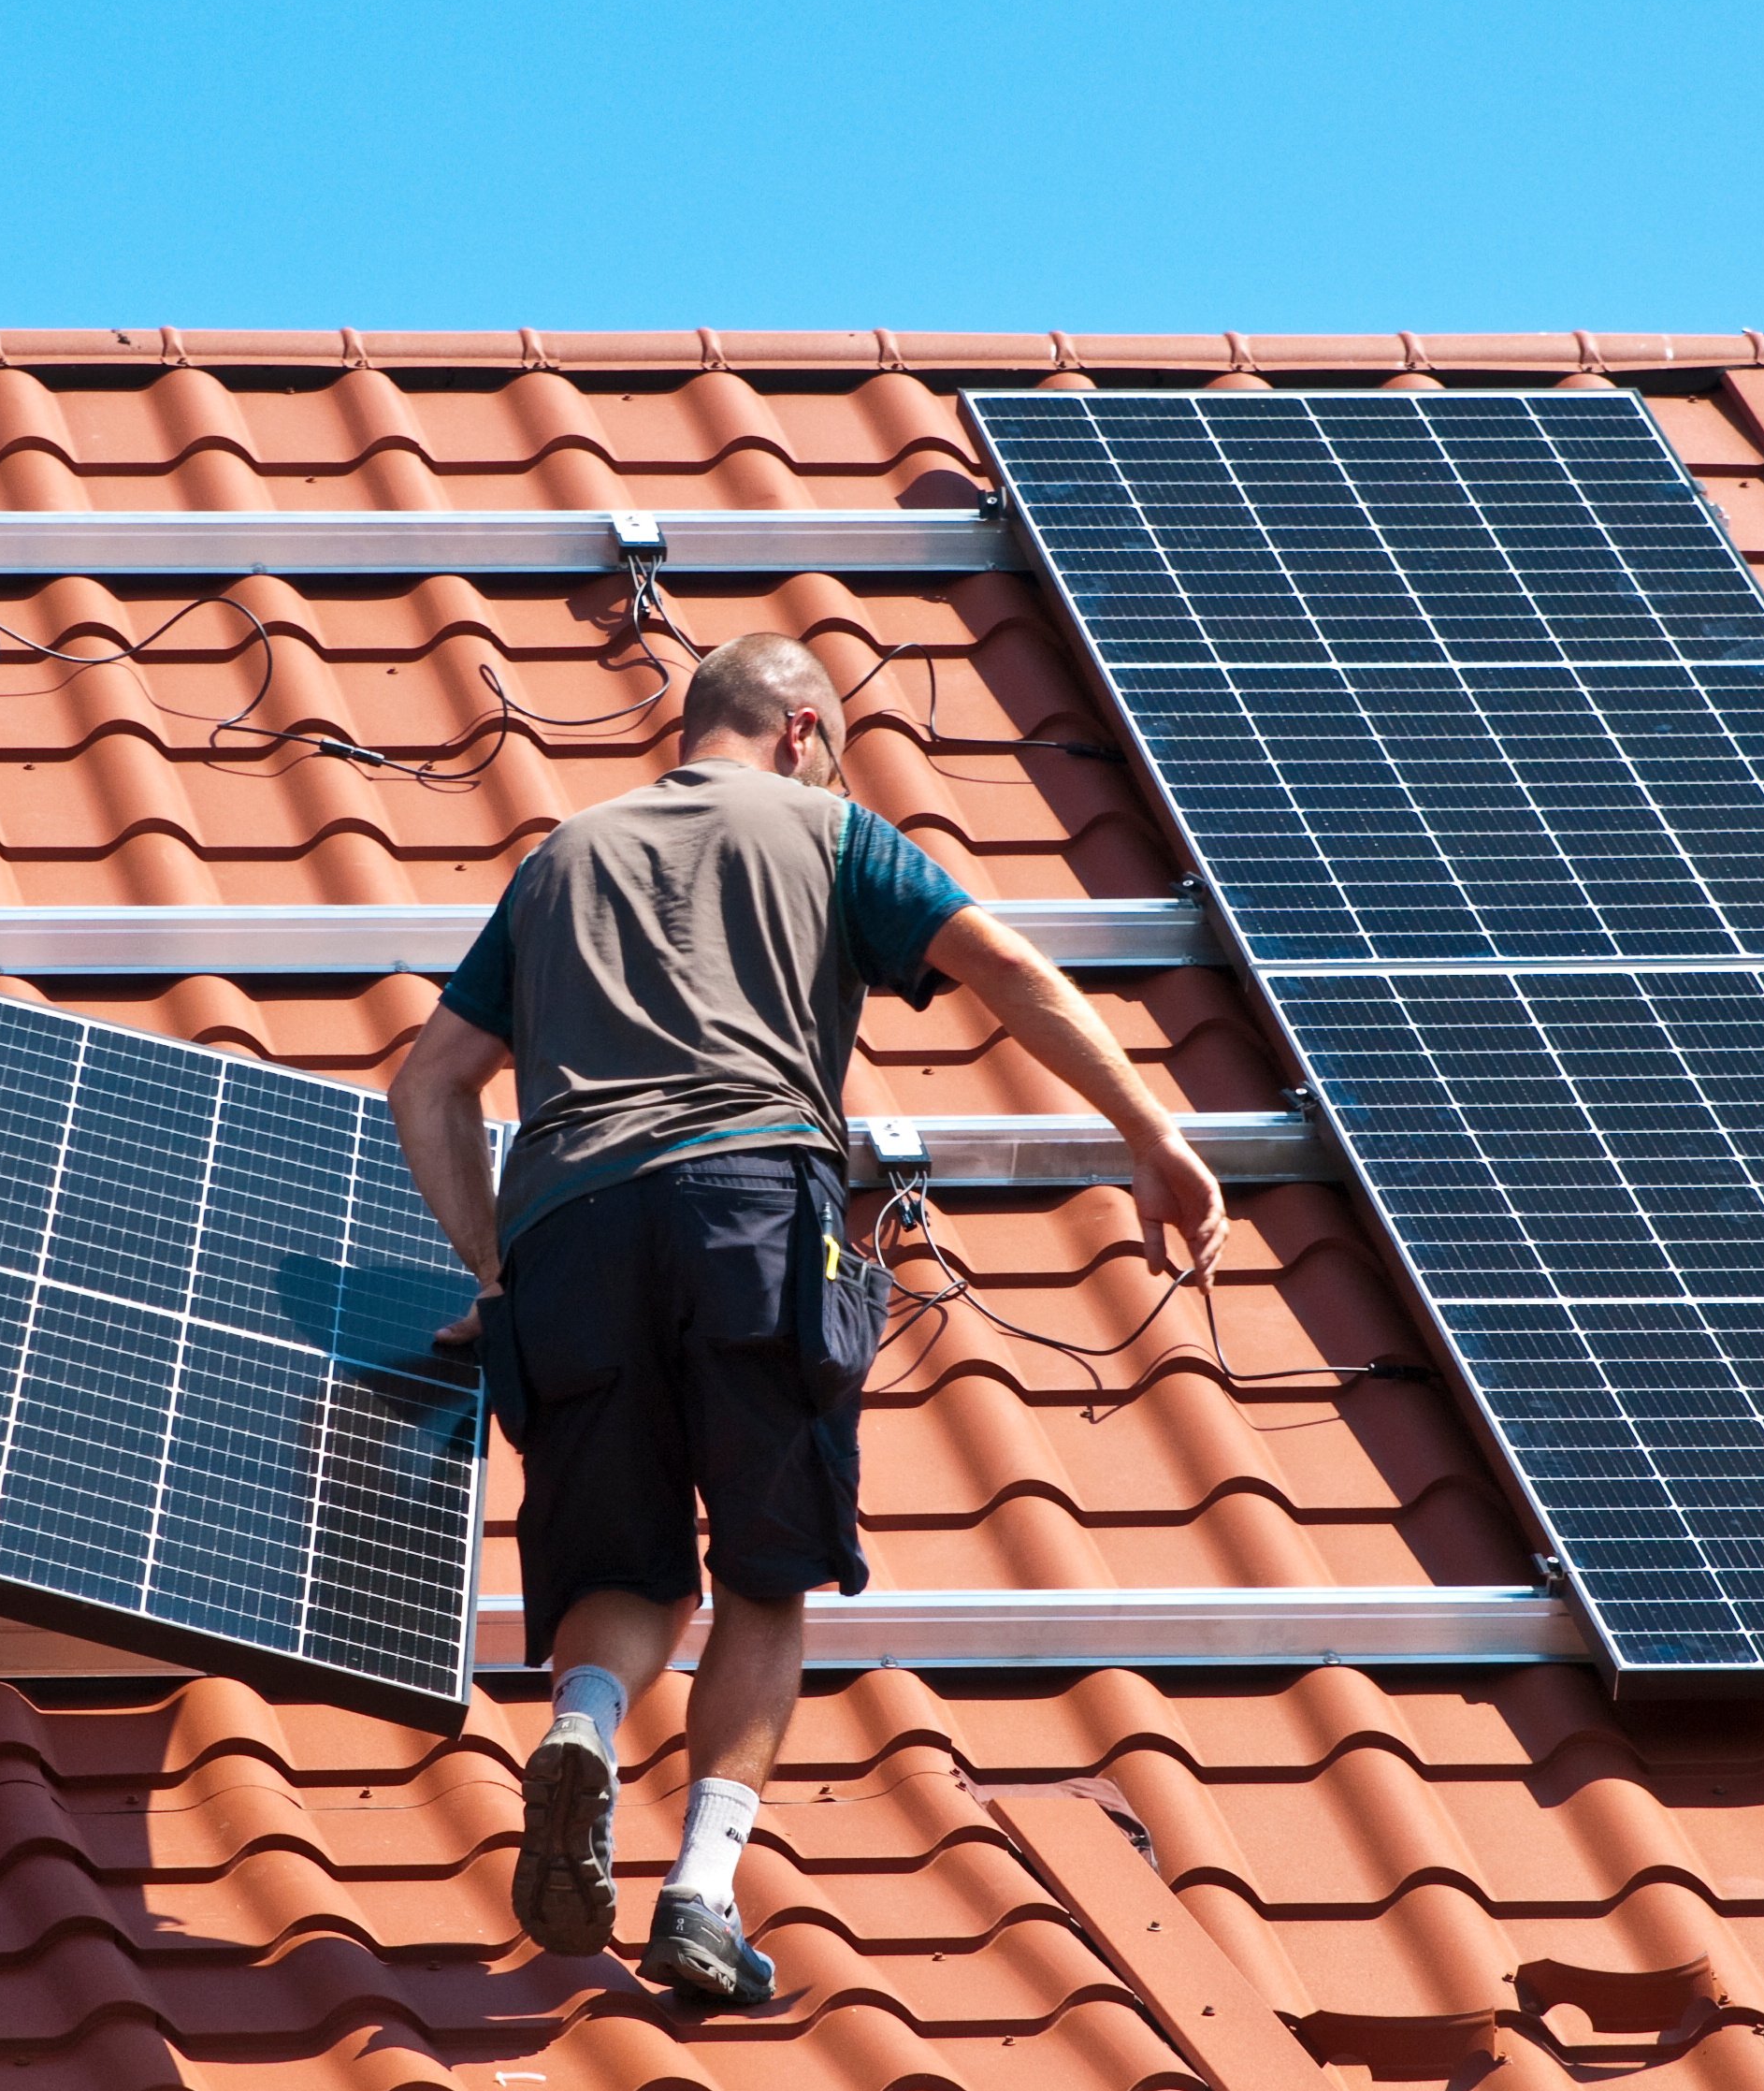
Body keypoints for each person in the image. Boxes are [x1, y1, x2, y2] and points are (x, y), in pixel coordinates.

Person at [387, 632, 1225, 2008]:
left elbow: (429, 1089)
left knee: (625, 1572)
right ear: (797, 731)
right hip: (751, 1211)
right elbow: (1005, 967)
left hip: (570, 1235)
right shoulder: (832, 830)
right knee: (766, 1574)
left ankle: (587, 1730)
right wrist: (1149, 1132)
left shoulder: (558, 863)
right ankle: (703, 1896)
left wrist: (496, 1279)